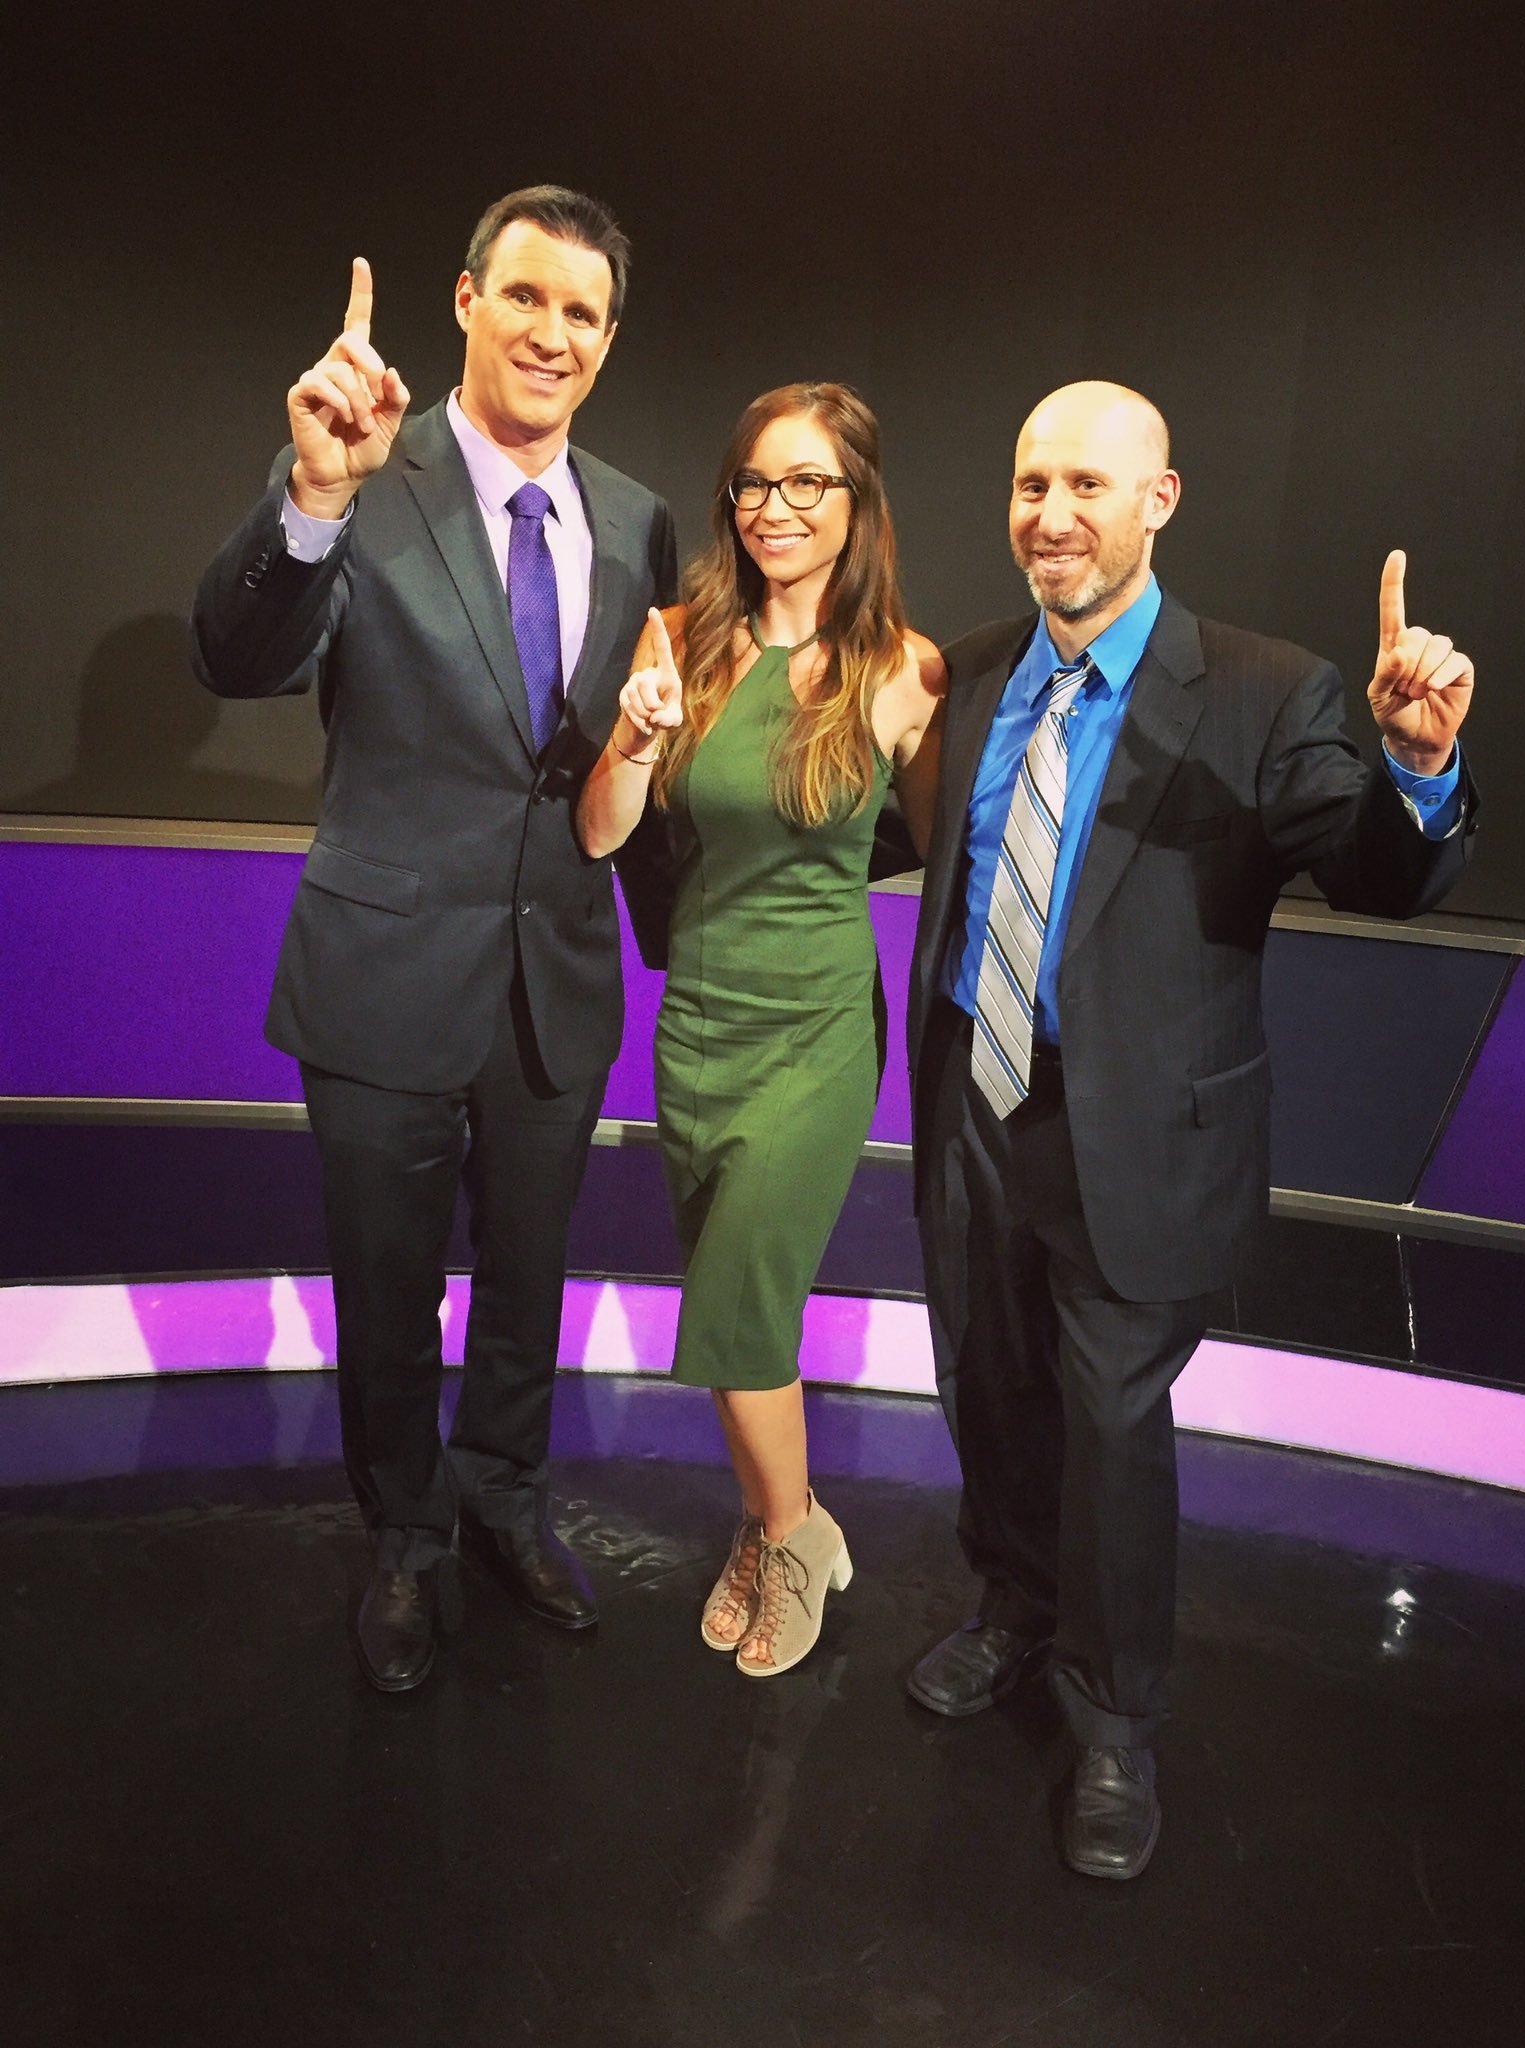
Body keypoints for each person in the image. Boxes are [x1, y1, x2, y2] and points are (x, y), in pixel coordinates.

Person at [905, 381, 1477, 1877]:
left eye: (1087, 485)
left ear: (1159, 502)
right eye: (1032, 484)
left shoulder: (1264, 690)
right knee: (988, 1387)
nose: (1052, 514)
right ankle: (1014, 1610)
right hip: (976, 1105)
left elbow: (1372, 875)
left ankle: (1111, 1719)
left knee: (1109, 1431)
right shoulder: (973, 671)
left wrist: (1415, 770)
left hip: (1142, 1136)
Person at [191, 186, 677, 1692]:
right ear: (464, 301)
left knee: (528, 1285)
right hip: (383, 976)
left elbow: (630, 750)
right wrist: (311, 495)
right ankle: (405, 1534)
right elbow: (239, 656)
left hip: (555, 980)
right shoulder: (363, 468)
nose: (551, 334)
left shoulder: (639, 519)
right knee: (388, 1290)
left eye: (582, 313)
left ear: (609, 340)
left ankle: (505, 1500)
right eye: (524, 297)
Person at [578, 382, 945, 1677]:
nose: (773, 509)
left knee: (736, 1306)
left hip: (816, 1032)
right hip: (697, 1026)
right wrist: (635, 739)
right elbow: (601, 833)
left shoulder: (903, 673)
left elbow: (942, 848)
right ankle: (770, 1520)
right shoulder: (678, 640)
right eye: (753, 483)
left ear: (857, 504)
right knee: (744, 1313)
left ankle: (795, 1535)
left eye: (806, 483)